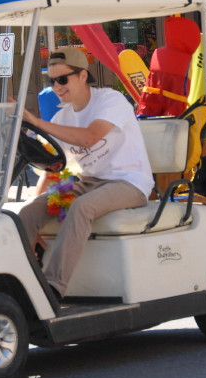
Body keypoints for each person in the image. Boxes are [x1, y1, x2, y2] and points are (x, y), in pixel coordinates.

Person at [19, 47, 153, 300]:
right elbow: (52, 168)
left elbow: (91, 138)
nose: (57, 86)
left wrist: (36, 122)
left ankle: (52, 289)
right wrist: (37, 210)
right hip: (89, 181)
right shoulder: (63, 115)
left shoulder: (111, 100)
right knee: (26, 213)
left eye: (62, 79)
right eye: (51, 81)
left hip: (129, 181)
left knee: (81, 207)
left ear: (83, 75)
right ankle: (20, 285)